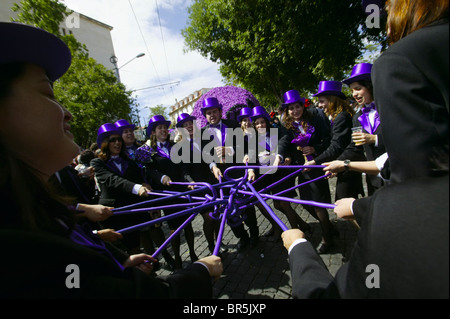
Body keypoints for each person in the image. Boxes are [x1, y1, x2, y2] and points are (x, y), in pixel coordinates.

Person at [0, 22, 221, 298]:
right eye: (48, 94)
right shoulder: (16, 246)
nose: (67, 113)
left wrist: (113, 258)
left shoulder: (34, 208)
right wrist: (198, 271)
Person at [282, 0, 449, 298]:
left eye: (387, 5)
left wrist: (298, 246)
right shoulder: (349, 116)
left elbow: (415, 182)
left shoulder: (401, 63)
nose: (384, 18)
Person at [136, 115, 198, 269]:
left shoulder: (176, 146)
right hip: (166, 194)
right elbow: (150, 171)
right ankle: (177, 257)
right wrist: (161, 177)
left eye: (165, 127)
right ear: (153, 132)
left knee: (188, 224)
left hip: (181, 191)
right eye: (159, 128)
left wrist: (189, 181)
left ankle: (192, 252)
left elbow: (183, 168)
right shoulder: (148, 150)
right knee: (174, 228)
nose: (163, 130)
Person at [278, 90, 336, 254]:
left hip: (317, 167)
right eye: (291, 108)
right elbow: (284, 143)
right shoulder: (288, 126)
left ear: (302, 106)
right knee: (305, 202)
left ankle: (327, 239)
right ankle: (330, 228)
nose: (295, 111)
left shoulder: (316, 120)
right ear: (287, 111)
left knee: (318, 205)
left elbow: (328, 141)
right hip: (302, 169)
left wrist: (314, 148)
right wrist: (281, 155)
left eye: (297, 107)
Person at [201, 97, 259, 252]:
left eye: (214, 111)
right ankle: (242, 237)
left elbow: (246, 147)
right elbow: (206, 155)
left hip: (238, 172)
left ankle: (254, 235)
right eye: (208, 113)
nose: (212, 115)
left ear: (220, 112)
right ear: (205, 116)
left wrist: (230, 151)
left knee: (247, 205)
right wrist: (213, 166)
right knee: (228, 209)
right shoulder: (203, 133)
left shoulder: (233, 125)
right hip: (220, 179)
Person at [245, 106, 310, 241]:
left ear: (267, 121)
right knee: (278, 205)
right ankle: (302, 225)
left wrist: (286, 157)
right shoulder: (254, 138)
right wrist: (250, 166)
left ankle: (295, 233)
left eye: (262, 122)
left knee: (284, 203)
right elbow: (251, 155)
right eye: (256, 123)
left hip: (283, 172)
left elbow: (286, 144)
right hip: (270, 175)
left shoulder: (279, 131)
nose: (260, 125)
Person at [305, 81, 364, 200]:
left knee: (343, 204)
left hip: (348, 163)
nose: (319, 106)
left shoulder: (341, 116)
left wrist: (315, 161)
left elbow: (337, 145)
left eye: (322, 101)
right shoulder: (335, 117)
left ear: (332, 100)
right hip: (343, 163)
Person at [174, 113, 221, 255]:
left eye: (190, 123)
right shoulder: (180, 147)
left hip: (213, 183)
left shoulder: (206, 138)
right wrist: (190, 181)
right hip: (198, 188)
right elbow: (184, 170)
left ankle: (218, 242)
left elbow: (211, 158)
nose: (188, 126)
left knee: (218, 216)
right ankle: (211, 245)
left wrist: (214, 167)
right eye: (185, 125)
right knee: (209, 217)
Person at [338, 63, 385, 195]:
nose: (354, 94)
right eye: (352, 90)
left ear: (370, 86)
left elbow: (402, 138)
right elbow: (355, 146)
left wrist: (375, 139)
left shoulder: (388, 109)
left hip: (397, 175)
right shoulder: (357, 116)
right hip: (374, 179)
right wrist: (338, 163)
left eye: (358, 88)